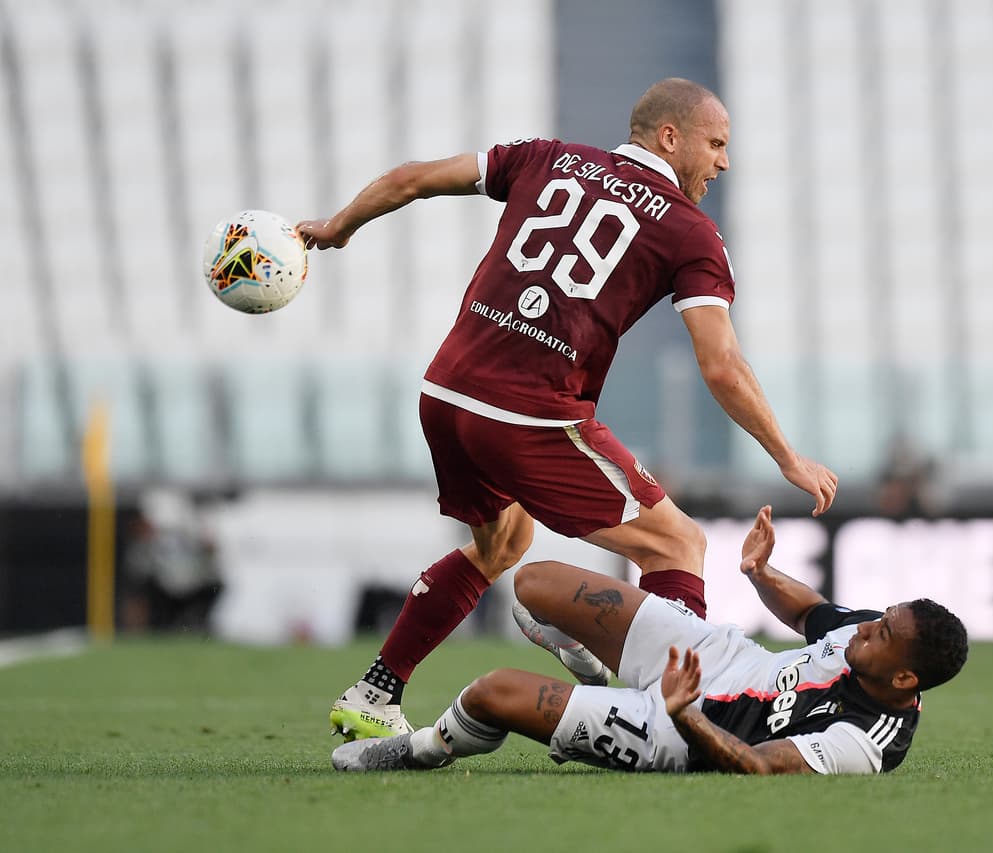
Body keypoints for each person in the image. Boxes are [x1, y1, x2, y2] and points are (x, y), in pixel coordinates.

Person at [297, 78, 839, 741]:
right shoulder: (690, 231)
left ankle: (375, 692)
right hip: (529, 412)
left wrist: (337, 226)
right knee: (678, 542)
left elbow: (412, 178)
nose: (723, 161)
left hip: (445, 392)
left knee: (502, 543)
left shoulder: (544, 156)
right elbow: (721, 362)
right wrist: (787, 455)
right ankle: (660, 717)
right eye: (716, 143)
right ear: (670, 137)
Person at [331, 506, 968, 775]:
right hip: (718, 654)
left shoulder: (866, 740)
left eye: (882, 632)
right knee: (535, 582)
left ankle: (419, 750)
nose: (864, 628)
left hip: (676, 727)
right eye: (878, 616)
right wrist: (760, 574)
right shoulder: (863, 638)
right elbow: (811, 614)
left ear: (905, 679)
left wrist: (681, 711)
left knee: (492, 693)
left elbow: (757, 767)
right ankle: (592, 675)